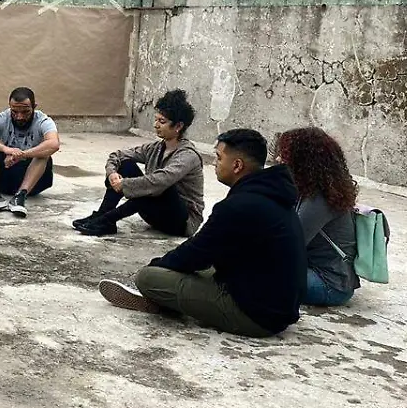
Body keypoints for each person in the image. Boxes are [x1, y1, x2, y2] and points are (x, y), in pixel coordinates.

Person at [97, 129, 306, 338]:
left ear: (237, 165)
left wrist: (157, 265)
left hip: (255, 316)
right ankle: (167, 298)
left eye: (218, 157)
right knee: (194, 269)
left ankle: (160, 300)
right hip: (277, 306)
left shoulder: (239, 205)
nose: (215, 163)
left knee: (148, 278)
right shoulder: (274, 195)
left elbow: (194, 254)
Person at [74, 89, 205, 237]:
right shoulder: (155, 148)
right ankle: (102, 216)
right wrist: (112, 174)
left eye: (162, 121)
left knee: (158, 186)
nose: (156, 125)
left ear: (178, 126)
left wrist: (124, 184)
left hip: (181, 223)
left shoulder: (188, 155)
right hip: (155, 215)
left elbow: (160, 181)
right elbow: (118, 155)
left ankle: (107, 219)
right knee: (126, 164)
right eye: (156, 119)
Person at [275, 127, 360, 306]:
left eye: (285, 155)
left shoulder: (319, 201)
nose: (278, 159)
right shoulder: (308, 191)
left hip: (329, 284)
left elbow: (286, 243)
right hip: (311, 269)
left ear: (304, 162)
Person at [0, 87, 59, 217]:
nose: (19, 117)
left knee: (44, 153)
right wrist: (7, 150)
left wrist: (22, 154)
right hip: (5, 176)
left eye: (25, 112)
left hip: (34, 181)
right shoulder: (3, 117)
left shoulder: (43, 120)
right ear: (9, 107)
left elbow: (54, 144)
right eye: (15, 112)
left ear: (34, 107)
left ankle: (20, 197)